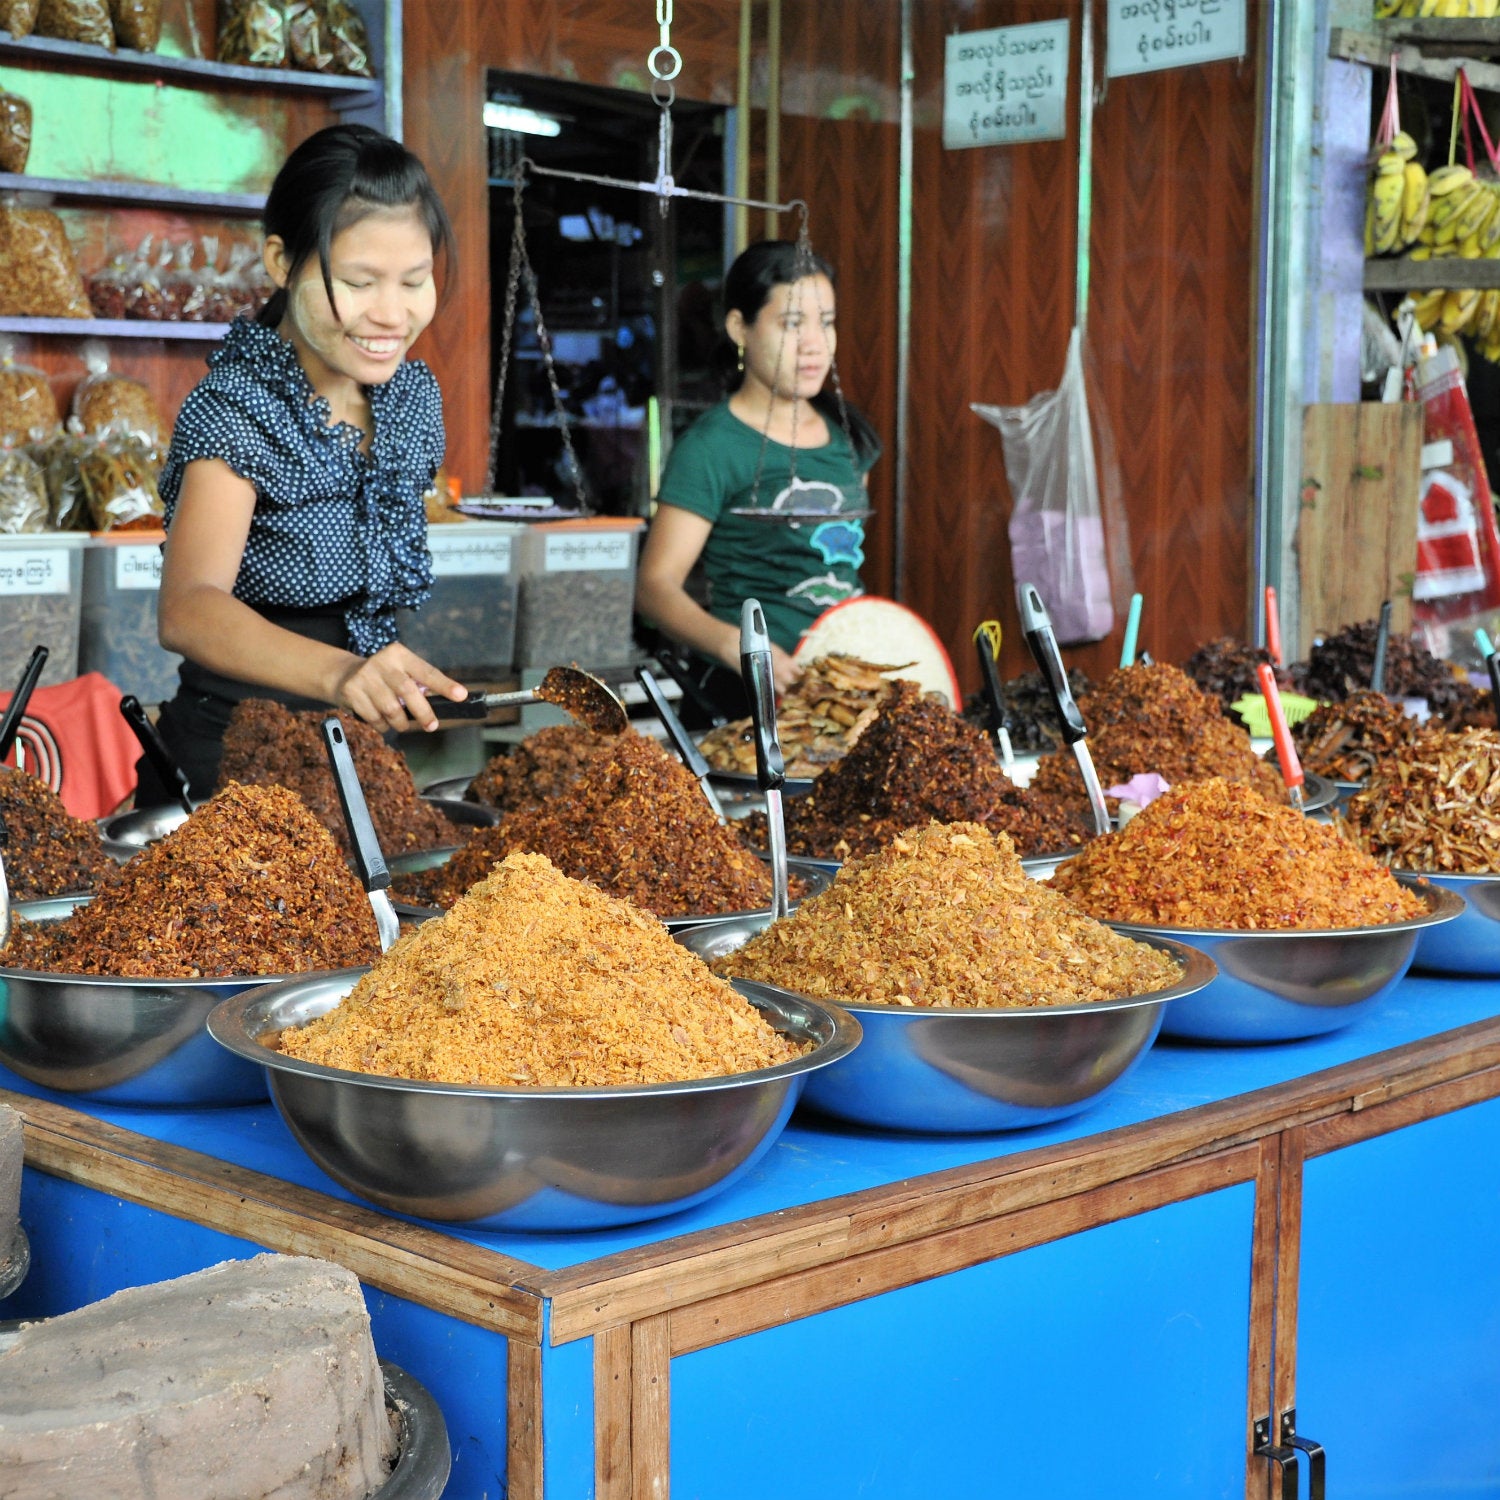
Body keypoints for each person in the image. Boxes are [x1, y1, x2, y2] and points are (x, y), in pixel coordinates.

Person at [138, 123, 469, 805]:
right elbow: (189, 610)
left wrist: (374, 685)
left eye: (414, 281)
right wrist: (345, 674)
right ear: (282, 263)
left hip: (360, 765)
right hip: (230, 772)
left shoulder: (412, 396)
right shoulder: (236, 407)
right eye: (357, 281)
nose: (391, 314)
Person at [636, 240, 881, 720]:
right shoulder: (713, 447)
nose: (814, 343)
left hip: (836, 691)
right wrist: (734, 645)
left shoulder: (849, 438)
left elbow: (842, 568)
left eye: (826, 322)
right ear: (738, 328)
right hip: (741, 696)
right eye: (792, 324)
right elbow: (654, 587)